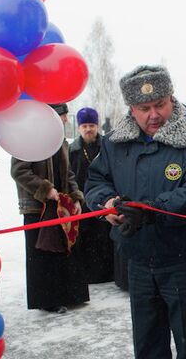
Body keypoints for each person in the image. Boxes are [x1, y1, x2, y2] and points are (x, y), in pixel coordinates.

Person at [84, 65, 186, 359]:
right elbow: (95, 182)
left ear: (172, 98)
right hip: (138, 261)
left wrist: (151, 211)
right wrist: (105, 203)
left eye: (160, 104)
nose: (153, 115)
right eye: (144, 108)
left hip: (183, 261)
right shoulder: (115, 143)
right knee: (147, 347)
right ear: (131, 108)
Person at [10, 103, 89, 314]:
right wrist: (46, 190)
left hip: (62, 207)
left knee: (65, 249)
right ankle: (47, 299)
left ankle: (71, 294)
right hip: (37, 208)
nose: (65, 120)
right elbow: (19, 171)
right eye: (62, 116)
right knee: (41, 255)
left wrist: (75, 197)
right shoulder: (27, 140)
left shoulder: (61, 141)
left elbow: (69, 173)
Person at [68, 107, 115, 284]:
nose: (88, 129)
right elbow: (69, 175)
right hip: (83, 200)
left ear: (97, 126)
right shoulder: (73, 150)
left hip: (105, 198)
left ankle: (109, 274)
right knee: (86, 238)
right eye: (85, 126)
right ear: (79, 128)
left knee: (105, 237)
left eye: (92, 125)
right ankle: (90, 274)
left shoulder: (108, 147)